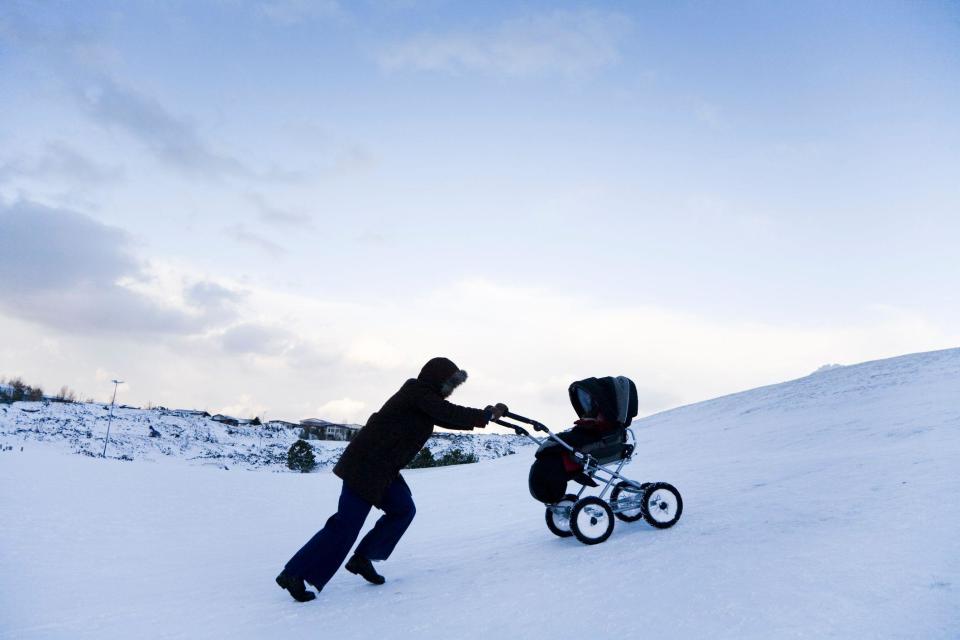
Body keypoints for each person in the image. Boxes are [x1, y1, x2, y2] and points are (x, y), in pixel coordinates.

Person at [276, 356, 508, 602]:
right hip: (364, 467)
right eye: (449, 384)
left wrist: (486, 418)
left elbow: (448, 418)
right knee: (346, 525)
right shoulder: (416, 392)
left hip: (383, 469)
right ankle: (294, 574)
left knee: (403, 509)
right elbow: (448, 412)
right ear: (437, 379)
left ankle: (362, 558)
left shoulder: (426, 400)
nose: (450, 391)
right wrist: (486, 415)